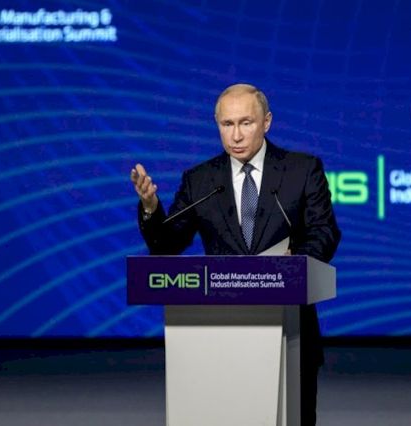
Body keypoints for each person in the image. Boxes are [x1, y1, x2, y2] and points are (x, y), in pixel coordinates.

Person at [131, 83, 340, 425]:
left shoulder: (302, 170)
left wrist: (295, 265)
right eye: (227, 124)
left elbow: (325, 232)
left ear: (266, 122)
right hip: (219, 336)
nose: (236, 135)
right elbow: (166, 245)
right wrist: (151, 208)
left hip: (290, 333)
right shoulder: (200, 180)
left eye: (246, 123)